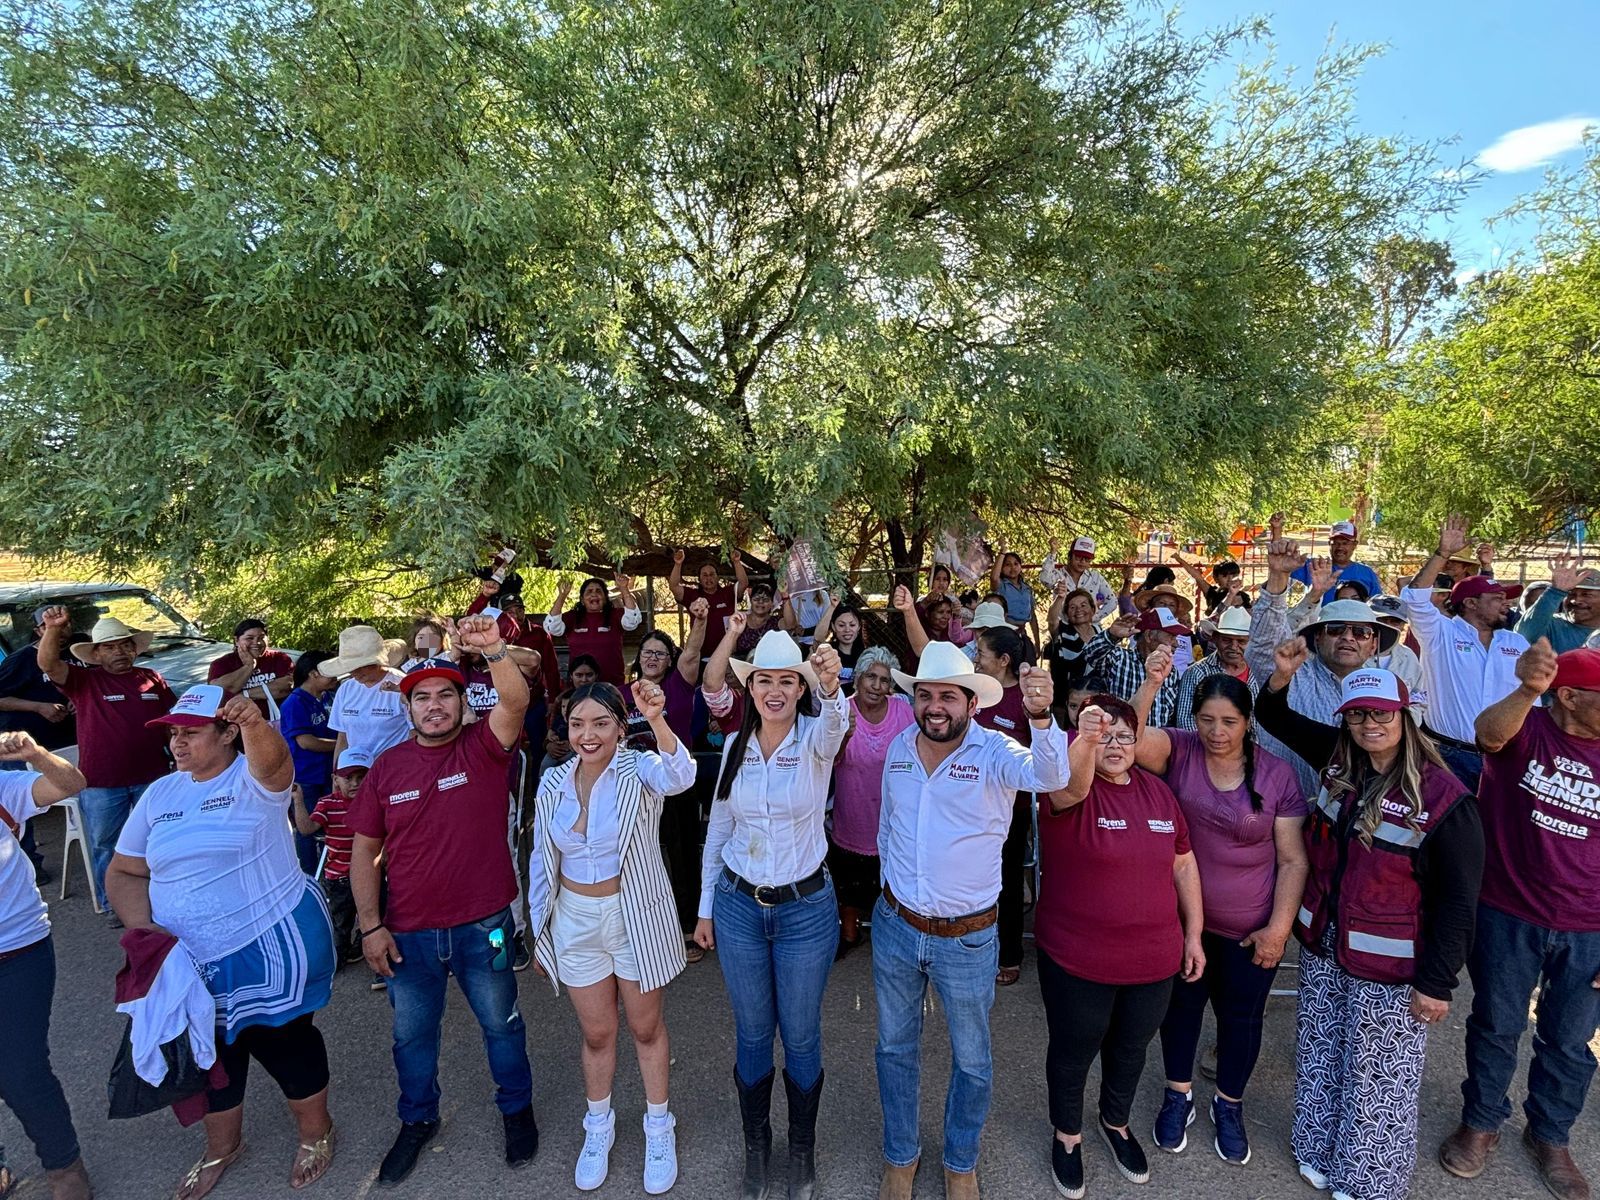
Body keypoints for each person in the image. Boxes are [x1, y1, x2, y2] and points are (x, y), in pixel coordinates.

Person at [1256, 649, 1483, 1200]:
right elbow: (1275, 716)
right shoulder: (1339, 759)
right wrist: (1282, 676)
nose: (1369, 724)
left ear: (1406, 716)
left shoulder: (1444, 796)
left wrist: (1437, 983)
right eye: (1358, 714)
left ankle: (1368, 1180)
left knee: (1380, 1077)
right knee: (1321, 1049)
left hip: (1392, 963)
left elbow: (1459, 901)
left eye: (1381, 713)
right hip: (1326, 942)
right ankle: (1317, 1148)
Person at [107, 686, 338, 1200]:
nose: (177, 743)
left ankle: (314, 1132)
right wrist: (145, 929)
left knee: (285, 1042)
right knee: (210, 1053)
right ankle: (221, 1148)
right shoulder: (162, 793)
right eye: (172, 733)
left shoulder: (253, 778)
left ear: (228, 733)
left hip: (268, 941)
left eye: (190, 732)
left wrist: (257, 724)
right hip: (186, 958)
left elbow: (277, 766)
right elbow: (123, 870)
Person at [872, 642, 1066, 1200]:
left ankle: (961, 1162)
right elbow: (890, 826)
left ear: (970, 703)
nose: (935, 707)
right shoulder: (899, 750)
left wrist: (1043, 719)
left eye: (947, 697)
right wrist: (894, 893)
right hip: (896, 927)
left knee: (973, 1060)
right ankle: (900, 1157)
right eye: (926, 695)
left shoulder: (997, 751)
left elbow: (1050, 778)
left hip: (968, 938)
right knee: (893, 1049)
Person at [348, 618, 539, 1186]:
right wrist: (370, 926)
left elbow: (516, 697)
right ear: (408, 709)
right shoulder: (386, 769)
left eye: (445, 696)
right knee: (411, 1036)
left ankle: (517, 1111)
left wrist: (495, 650)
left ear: (463, 702)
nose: (434, 706)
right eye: (422, 698)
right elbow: (364, 855)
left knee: (502, 1026)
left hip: (486, 926)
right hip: (407, 934)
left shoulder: (486, 747)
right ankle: (417, 1120)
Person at [1438, 641, 1600, 1200]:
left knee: (1571, 1040)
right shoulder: (1527, 729)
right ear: (1571, 698)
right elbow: (1487, 733)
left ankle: (1550, 1136)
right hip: (1509, 913)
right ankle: (1481, 1123)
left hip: (1590, 929)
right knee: (1497, 1025)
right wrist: (1529, 689)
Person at [1129, 665, 1308, 1167]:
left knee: (1241, 1020)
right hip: (1184, 921)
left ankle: (1229, 1105)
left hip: (1251, 928)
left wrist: (1278, 930)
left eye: (1229, 721)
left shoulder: (1277, 774)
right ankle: (1177, 1094)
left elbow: (1293, 859)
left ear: (1248, 722)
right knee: (1180, 1011)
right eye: (1206, 719)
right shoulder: (1180, 749)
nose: (1216, 732)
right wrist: (1150, 684)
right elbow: (1130, 737)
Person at [693, 617, 847, 1200]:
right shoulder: (734, 745)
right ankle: (757, 1148)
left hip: (806, 909)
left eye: (788, 680)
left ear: (801, 687)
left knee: (802, 1036)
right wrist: (706, 909)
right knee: (754, 1034)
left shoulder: (815, 737)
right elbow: (719, 830)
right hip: (737, 907)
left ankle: (801, 1151)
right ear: (750, 688)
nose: (775, 690)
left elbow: (837, 727)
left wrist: (833, 689)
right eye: (764, 681)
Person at [529, 679, 697, 1194]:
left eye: (601, 723)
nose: (588, 734)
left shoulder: (638, 769)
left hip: (634, 913)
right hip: (574, 917)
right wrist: (539, 929)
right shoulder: (553, 782)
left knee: (646, 1029)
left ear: (621, 728)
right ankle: (597, 1127)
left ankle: (658, 1127)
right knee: (597, 1034)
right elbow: (541, 860)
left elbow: (682, 774)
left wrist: (658, 717)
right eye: (578, 723)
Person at [1033, 694, 1204, 1199]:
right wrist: (1084, 740)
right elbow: (1069, 786)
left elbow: (1184, 863)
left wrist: (1193, 932)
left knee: (1131, 1049)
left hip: (1154, 959)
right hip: (1076, 958)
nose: (1115, 744)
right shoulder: (1069, 789)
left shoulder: (1159, 794)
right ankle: (1067, 1135)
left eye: (1124, 734)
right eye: (1102, 734)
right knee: (1074, 1049)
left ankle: (1116, 1122)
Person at [0, 731, 93, 1200]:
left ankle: (64, 1165)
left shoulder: (2, 787)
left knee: (20, 1069)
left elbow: (69, 784)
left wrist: (35, 755)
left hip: (16, 950)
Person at [36, 607, 175, 913]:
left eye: (125, 644)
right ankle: (114, 905)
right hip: (101, 782)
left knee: (155, 842)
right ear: (96, 654)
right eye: (110, 647)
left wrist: (180, 762)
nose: (119, 652)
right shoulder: (83, 681)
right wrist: (52, 628)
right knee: (106, 846)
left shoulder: (152, 679)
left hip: (152, 778)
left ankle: (157, 901)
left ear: (134, 649)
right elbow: (47, 663)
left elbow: (172, 725)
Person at [1246, 539, 1404, 797]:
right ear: (1317, 637)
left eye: (1361, 632)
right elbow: (1265, 643)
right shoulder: (1291, 672)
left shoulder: (1387, 690)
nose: (1348, 637)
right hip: (1285, 816)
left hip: (1351, 821)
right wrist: (1278, 577)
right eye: (1336, 629)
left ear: (1374, 643)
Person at [1402, 514, 1529, 792]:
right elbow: (1413, 598)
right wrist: (1442, 553)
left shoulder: (1517, 643)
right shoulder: (1440, 633)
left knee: (1495, 833)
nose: (1505, 604)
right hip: (1446, 757)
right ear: (1470, 603)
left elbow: (1534, 701)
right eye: (1497, 599)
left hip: (1505, 759)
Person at [624, 604, 711, 954]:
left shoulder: (679, 684)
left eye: (661, 653)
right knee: (638, 857)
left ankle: (688, 925)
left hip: (676, 783)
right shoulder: (622, 690)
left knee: (683, 854)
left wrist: (700, 621)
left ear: (669, 661)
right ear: (638, 656)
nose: (653, 658)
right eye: (648, 652)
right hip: (634, 786)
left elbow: (692, 652)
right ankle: (646, 925)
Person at [827, 646, 912, 958]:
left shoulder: (903, 712)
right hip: (853, 812)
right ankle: (850, 933)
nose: (877, 686)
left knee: (892, 883)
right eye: (871, 677)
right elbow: (828, 763)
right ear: (858, 678)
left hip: (893, 814)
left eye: (885, 680)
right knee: (848, 881)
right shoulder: (842, 711)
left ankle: (892, 939)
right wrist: (844, 737)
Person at [966, 624, 1038, 988]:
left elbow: (1038, 756)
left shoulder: (1023, 699)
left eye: (981, 653)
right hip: (968, 803)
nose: (975, 659)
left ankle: (1009, 954)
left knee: (1006, 883)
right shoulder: (975, 692)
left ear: (1004, 660)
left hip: (1011, 810)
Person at [0, 606, 75, 881]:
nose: (60, 631)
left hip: (70, 744)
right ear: (38, 630)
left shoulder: (76, 654)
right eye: (50, 626)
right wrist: (38, 707)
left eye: (64, 625)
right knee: (18, 807)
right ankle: (29, 864)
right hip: (22, 747)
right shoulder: (21, 661)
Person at [290, 745, 371, 965]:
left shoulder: (374, 802)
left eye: (361, 777)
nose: (354, 783)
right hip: (339, 879)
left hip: (371, 875)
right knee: (339, 923)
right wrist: (298, 800)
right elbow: (307, 829)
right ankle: (338, 957)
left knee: (372, 919)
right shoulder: (327, 804)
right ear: (335, 779)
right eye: (348, 777)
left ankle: (364, 948)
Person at [279, 650, 338, 873]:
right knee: (307, 830)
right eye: (330, 671)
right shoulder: (294, 703)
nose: (335, 676)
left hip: (329, 774)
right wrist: (342, 747)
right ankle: (308, 875)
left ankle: (330, 871)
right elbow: (306, 742)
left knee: (330, 825)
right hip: (306, 779)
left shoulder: (328, 697)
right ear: (313, 673)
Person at [1082, 607, 1189, 727]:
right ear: (1149, 636)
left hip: (1155, 740)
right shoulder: (1120, 658)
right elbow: (1090, 654)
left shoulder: (1171, 671)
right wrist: (1111, 636)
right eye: (1171, 636)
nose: (1176, 643)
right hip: (1120, 738)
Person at [320, 625, 411, 762]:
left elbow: (415, 733)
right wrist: (337, 774)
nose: (353, 672)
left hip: (394, 770)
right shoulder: (346, 689)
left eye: (359, 667)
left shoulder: (402, 684)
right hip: (355, 775)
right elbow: (343, 737)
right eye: (350, 668)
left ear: (377, 663)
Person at [546, 573, 644, 687]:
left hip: (611, 685)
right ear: (582, 599)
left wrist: (624, 588)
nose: (594, 594)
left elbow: (633, 620)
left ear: (605, 598)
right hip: (580, 686)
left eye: (598, 591)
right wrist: (562, 596)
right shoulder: (573, 617)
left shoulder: (615, 615)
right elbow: (552, 627)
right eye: (589, 592)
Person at [1173, 606, 1254, 730]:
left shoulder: (1257, 673)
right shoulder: (1196, 673)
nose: (1234, 647)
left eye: (1241, 641)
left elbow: (1258, 724)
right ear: (1215, 639)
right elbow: (1186, 722)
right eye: (1226, 640)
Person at [207, 619, 295, 712]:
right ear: (237, 640)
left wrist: (244, 694)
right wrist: (249, 666)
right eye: (250, 638)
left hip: (278, 722)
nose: (257, 642)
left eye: (261, 637)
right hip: (237, 723)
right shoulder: (221, 664)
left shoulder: (279, 658)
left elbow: (286, 687)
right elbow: (216, 693)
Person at [1518, 561, 1600, 654]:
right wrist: (1555, 591)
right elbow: (1522, 637)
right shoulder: (1551, 624)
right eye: (1570, 594)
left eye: (1586, 595)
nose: (1576, 601)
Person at [669, 548, 750, 640]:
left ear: (718, 577)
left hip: (726, 650)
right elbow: (674, 586)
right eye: (705, 575)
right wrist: (678, 564)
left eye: (712, 574)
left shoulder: (728, 593)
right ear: (699, 579)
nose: (708, 578)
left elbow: (743, 583)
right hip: (700, 652)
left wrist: (736, 562)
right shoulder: (692, 595)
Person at [1290, 520, 1383, 600]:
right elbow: (1281, 570)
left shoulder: (1367, 573)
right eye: (1335, 543)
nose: (1340, 547)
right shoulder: (1315, 566)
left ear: (1354, 545)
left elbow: (1376, 605)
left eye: (1345, 543)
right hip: (1320, 619)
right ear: (1329, 544)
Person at [1040, 536, 1119, 622]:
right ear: (1070, 556)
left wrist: (1093, 618)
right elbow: (1045, 579)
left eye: (1087, 559)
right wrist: (1053, 553)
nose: (1083, 561)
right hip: (1064, 629)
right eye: (1078, 557)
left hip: (1089, 630)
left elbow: (1112, 601)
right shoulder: (1058, 575)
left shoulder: (1095, 577)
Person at [1044, 584, 1101, 695]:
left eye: (1083, 605)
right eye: (1072, 607)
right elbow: (1051, 621)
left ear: (1093, 610)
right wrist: (1060, 597)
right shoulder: (1063, 632)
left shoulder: (1099, 631)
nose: (1078, 610)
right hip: (1067, 696)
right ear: (1066, 613)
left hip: (1096, 693)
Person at [812, 593, 868, 693]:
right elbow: (818, 638)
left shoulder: (867, 656)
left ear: (859, 627)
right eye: (841, 625)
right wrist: (832, 607)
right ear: (833, 626)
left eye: (852, 625)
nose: (847, 629)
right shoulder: (828, 652)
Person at [990, 549, 1039, 643]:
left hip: (1022, 634)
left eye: (1016, 564)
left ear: (1020, 566)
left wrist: (1037, 643)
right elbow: (994, 577)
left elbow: (1032, 616)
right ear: (1001, 568)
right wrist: (1002, 552)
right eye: (1008, 564)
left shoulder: (1027, 589)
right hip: (1005, 633)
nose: (1013, 567)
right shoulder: (1001, 586)